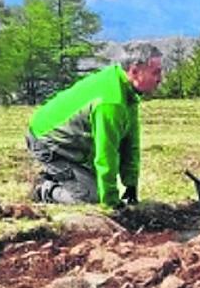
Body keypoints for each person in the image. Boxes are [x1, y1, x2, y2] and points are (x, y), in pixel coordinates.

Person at [25, 43, 164, 208]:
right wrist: (111, 203)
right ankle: (45, 189)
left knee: (97, 183)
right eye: (155, 72)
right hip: (48, 142)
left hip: (73, 145)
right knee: (91, 196)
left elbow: (130, 143)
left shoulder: (126, 88)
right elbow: (106, 154)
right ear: (134, 71)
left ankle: (62, 176)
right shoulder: (111, 102)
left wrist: (130, 186)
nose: (160, 78)